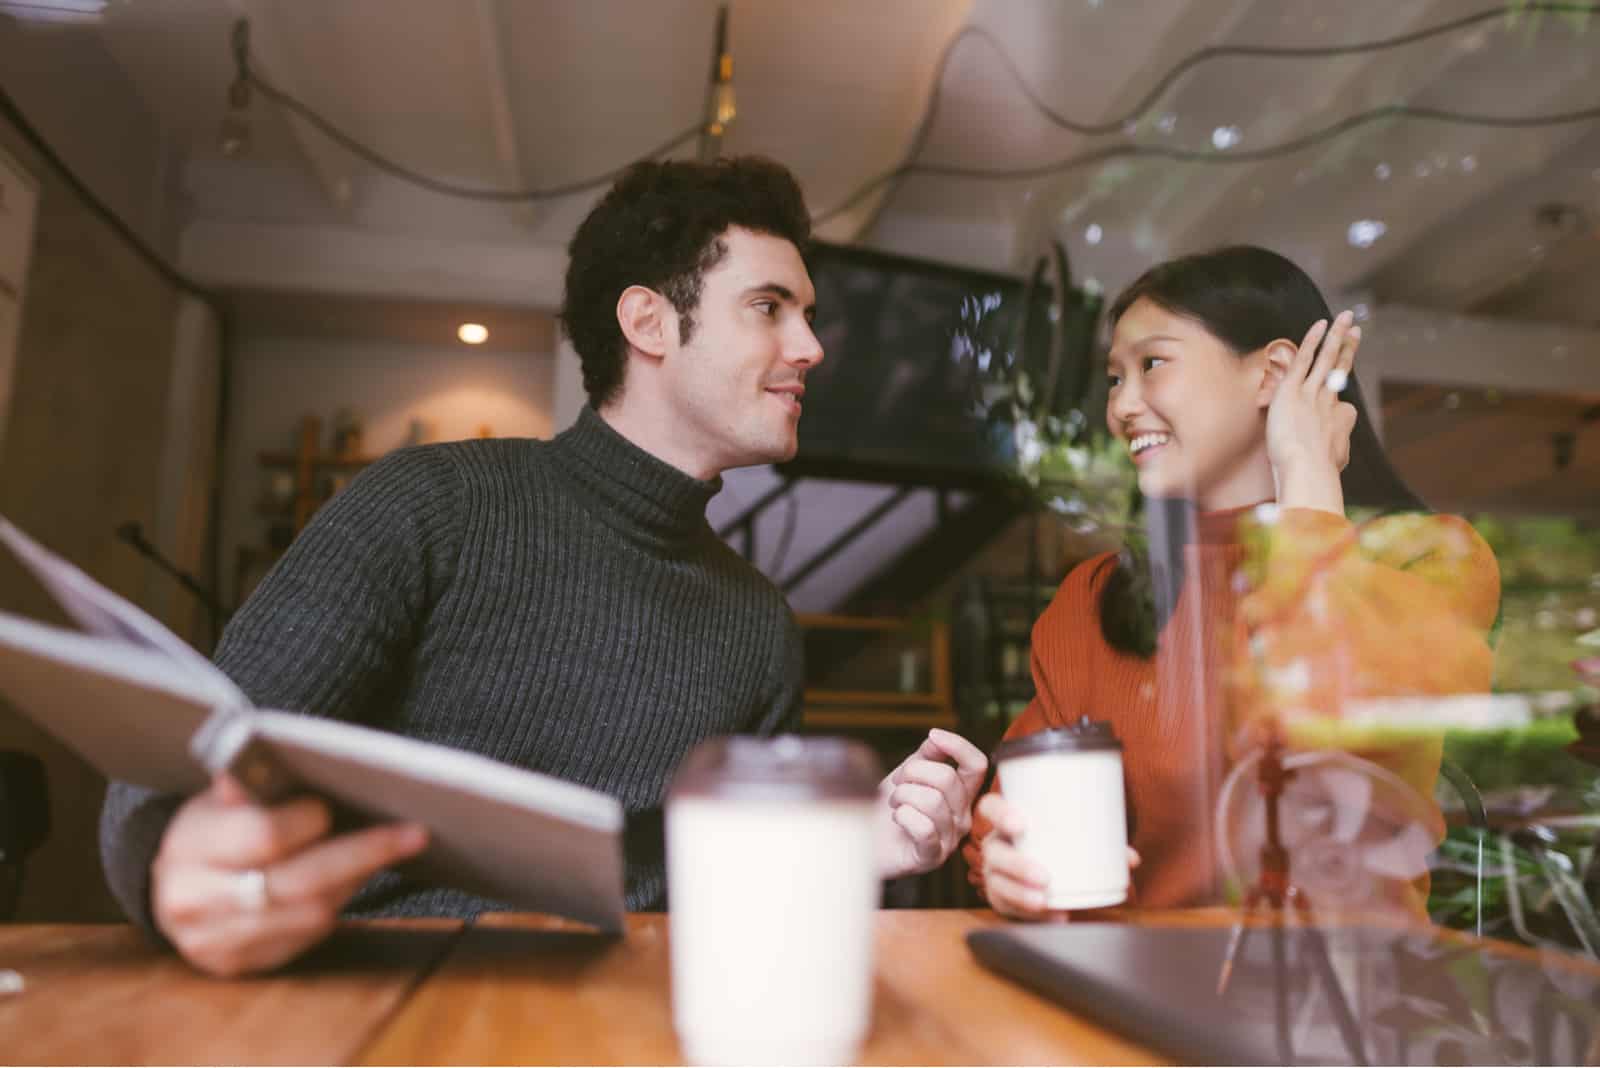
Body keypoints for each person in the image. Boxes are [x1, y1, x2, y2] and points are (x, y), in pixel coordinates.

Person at [101, 156, 988, 977]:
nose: (811, 348)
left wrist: (865, 844)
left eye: (808, 315)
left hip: (635, 1024)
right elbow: (187, 752)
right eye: (769, 307)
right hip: (381, 1009)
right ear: (647, 322)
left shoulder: (758, 620)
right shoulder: (432, 505)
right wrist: (171, 861)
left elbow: (743, 893)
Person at [966, 245, 1500, 921]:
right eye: (1113, 379)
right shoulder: (1094, 596)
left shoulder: (1429, 557)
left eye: (1152, 365)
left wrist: (1306, 471)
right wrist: (1010, 865)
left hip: (1340, 994)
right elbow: (1020, 811)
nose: (1123, 406)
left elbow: (1332, 716)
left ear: (1273, 373)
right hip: (1137, 993)